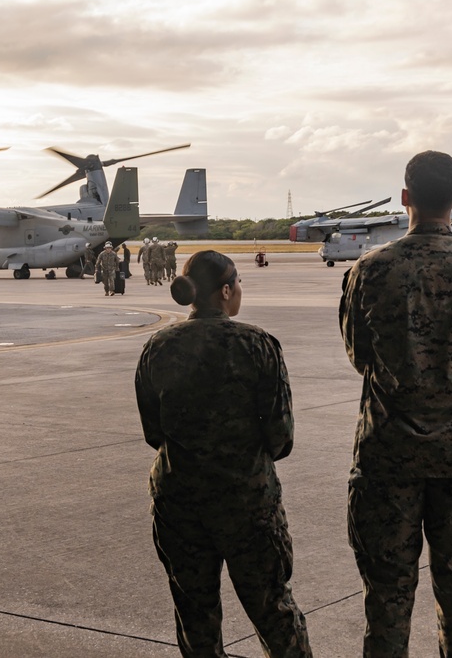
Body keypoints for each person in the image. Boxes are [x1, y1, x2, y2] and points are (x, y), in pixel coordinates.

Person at [339, 151, 452, 656]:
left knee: (387, 597)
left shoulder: (370, 270)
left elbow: (358, 355)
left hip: (389, 454)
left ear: (406, 197)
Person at [135, 251, 312, 657]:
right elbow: (281, 437)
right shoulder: (256, 344)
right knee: (273, 610)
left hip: (178, 500)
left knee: (195, 614)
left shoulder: (158, 346)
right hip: (247, 502)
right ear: (226, 290)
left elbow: (153, 432)